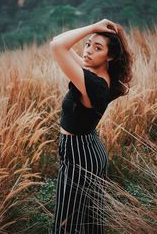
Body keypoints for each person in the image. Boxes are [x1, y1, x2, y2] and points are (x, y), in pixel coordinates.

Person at [50, 19, 134, 234]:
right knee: (88, 220)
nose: (88, 51)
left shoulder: (94, 85)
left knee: (66, 223)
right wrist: (94, 34)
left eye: (98, 48)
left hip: (80, 154)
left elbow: (57, 45)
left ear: (110, 56)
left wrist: (93, 27)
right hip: (86, 149)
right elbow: (62, 45)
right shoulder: (97, 75)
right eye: (87, 44)